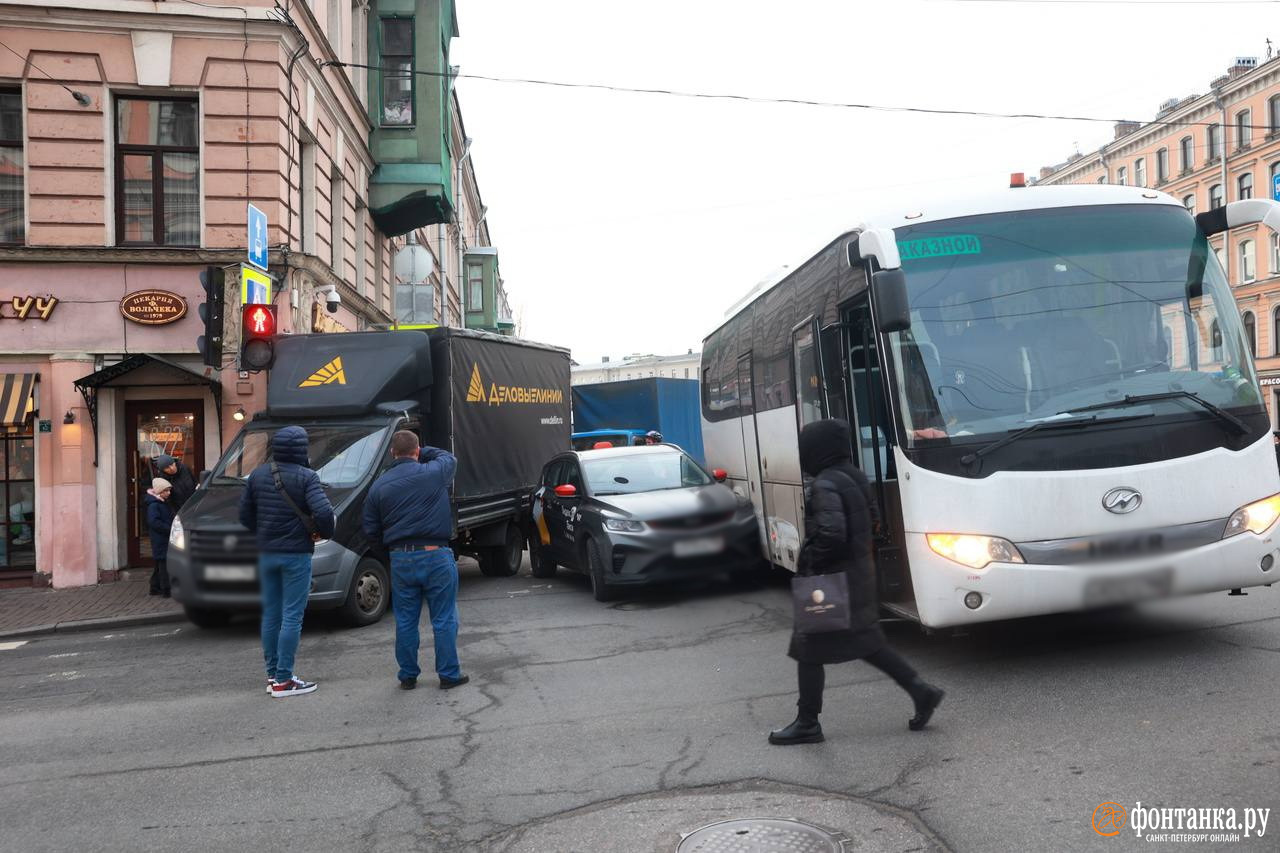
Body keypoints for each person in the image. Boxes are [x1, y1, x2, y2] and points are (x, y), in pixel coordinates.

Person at [769, 418, 944, 745]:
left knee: (807, 647)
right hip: (859, 573)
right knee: (869, 643)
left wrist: (809, 560)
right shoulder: (855, 476)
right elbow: (874, 521)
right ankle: (922, 692)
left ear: (816, 450)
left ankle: (807, 722)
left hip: (830, 580)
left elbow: (832, 535)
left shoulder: (825, 484)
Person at [363, 430, 468, 691]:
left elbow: (370, 529)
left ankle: (408, 675)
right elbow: (448, 457)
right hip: (435, 554)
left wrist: (389, 552)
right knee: (443, 618)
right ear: (418, 451)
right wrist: (423, 450)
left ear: (391, 454)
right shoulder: (433, 472)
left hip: (401, 558)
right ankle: (448, 674)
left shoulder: (379, 485)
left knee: (406, 620)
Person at [238, 426, 334, 698]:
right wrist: (323, 533)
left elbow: (244, 515)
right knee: (292, 615)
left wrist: (264, 532)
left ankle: (272, 675)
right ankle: (284, 680)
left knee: (271, 614)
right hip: (295, 554)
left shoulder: (257, 475)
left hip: (266, 553)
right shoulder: (307, 477)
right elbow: (324, 512)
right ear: (301, 449)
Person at [144, 478, 175, 597]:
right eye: (166, 491)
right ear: (159, 491)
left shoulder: (160, 503)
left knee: (159, 564)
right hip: (160, 538)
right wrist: (168, 529)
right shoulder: (154, 505)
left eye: (169, 490)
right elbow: (153, 522)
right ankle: (166, 590)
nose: (169, 493)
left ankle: (154, 587)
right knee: (163, 564)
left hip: (162, 537)